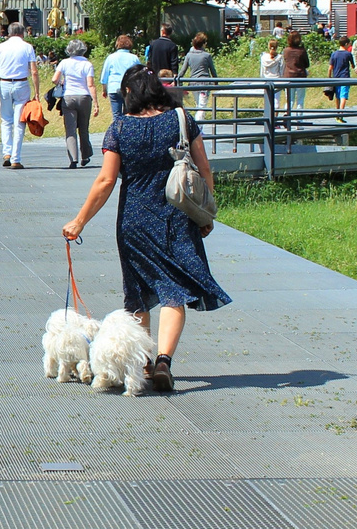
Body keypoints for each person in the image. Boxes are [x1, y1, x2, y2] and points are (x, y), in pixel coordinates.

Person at [61, 65, 230, 393]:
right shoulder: (181, 119)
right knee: (174, 291)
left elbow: (107, 180)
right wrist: (206, 212)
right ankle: (165, 360)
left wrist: (80, 220)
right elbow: (204, 167)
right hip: (178, 216)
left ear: (128, 94)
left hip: (134, 220)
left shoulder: (120, 128)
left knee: (137, 294)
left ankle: (144, 361)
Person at [0, 22, 40, 169]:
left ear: (8, 33)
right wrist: (37, 92)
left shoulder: (1, 47)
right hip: (21, 84)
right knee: (19, 122)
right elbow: (34, 71)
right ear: (22, 33)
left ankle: (7, 153)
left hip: (4, 83)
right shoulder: (27, 47)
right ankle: (16, 158)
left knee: (5, 120)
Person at [53, 39, 99, 169]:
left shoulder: (64, 62)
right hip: (84, 97)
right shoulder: (87, 64)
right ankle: (85, 155)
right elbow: (90, 84)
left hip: (68, 97)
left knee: (70, 129)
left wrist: (61, 82)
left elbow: (54, 79)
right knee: (84, 128)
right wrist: (95, 103)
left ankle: (73, 159)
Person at [99, 36, 141, 121]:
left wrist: (104, 89)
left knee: (116, 115)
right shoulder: (134, 58)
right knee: (129, 113)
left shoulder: (111, 57)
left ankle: (117, 132)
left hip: (114, 87)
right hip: (129, 88)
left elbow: (105, 75)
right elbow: (139, 74)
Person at [178, 32, 217, 120]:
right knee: (202, 107)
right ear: (203, 44)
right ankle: (198, 127)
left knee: (198, 105)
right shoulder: (207, 56)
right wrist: (216, 82)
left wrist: (177, 79)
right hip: (204, 84)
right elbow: (212, 70)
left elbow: (183, 70)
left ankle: (198, 127)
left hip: (193, 84)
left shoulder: (189, 55)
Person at [282, 31, 309, 118]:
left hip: (288, 77)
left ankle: (287, 118)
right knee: (300, 100)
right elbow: (307, 64)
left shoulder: (285, 51)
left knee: (289, 100)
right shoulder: (302, 51)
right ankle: (299, 122)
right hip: (300, 76)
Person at [328, 38, 354, 121]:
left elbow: (330, 68)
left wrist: (329, 78)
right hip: (345, 77)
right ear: (346, 44)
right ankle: (341, 114)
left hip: (336, 78)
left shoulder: (334, 54)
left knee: (338, 96)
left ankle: (337, 112)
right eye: (349, 43)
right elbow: (353, 65)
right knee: (343, 96)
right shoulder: (348, 54)